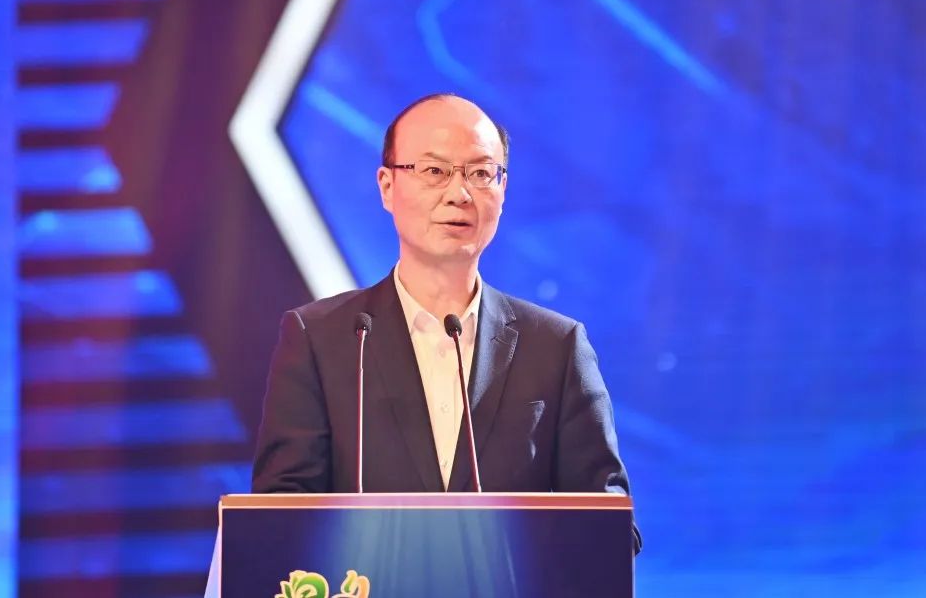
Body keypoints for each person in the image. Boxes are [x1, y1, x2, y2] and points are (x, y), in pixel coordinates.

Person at [252, 93, 639, 550]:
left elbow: (608, 524)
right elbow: (279, 513)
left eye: (480, 173)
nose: (459, 194)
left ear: (503, 190)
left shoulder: (556, 346)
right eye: (434, 171)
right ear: (387, 186)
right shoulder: (321, 339)